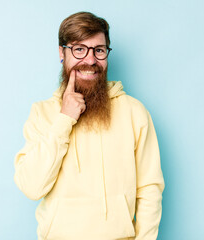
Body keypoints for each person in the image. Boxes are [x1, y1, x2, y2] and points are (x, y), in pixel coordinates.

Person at [14, 11, 165, 240]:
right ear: (61, 53)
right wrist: (64, 119)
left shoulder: (134, 113)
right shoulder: (42, 113)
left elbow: (149, 190)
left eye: (99, 50)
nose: (91, 60)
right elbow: (31, 187)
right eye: (79, 49)